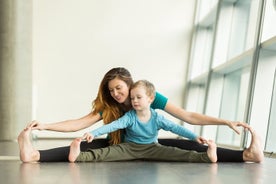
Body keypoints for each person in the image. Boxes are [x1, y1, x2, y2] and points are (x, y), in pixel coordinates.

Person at [18, 67, 264, 163]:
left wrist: (225, 121)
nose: (115, 94)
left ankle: (246, 154)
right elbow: (81, 123)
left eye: (119, 89)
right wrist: (45, 125)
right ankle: (34, 154)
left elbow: (186, 117)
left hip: (150, 143)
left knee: (190, 144)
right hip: (122, 144)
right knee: (87, 146)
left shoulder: (149, 99)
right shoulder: (110, 105)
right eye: (111, 90)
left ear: (131, 86)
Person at [68, 80, 217, 163]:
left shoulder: (157, 118)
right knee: (104, 153)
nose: (134, 101)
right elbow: (113, 125)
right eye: (132, 98)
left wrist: (194, 137)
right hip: (129, 148)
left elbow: (175, 128)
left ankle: (206, 157)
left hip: (153, 147)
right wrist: (93, 133)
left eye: (139, 97)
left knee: (179, 154)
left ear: (150, 99)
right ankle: (79, 156)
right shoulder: (130, 117)